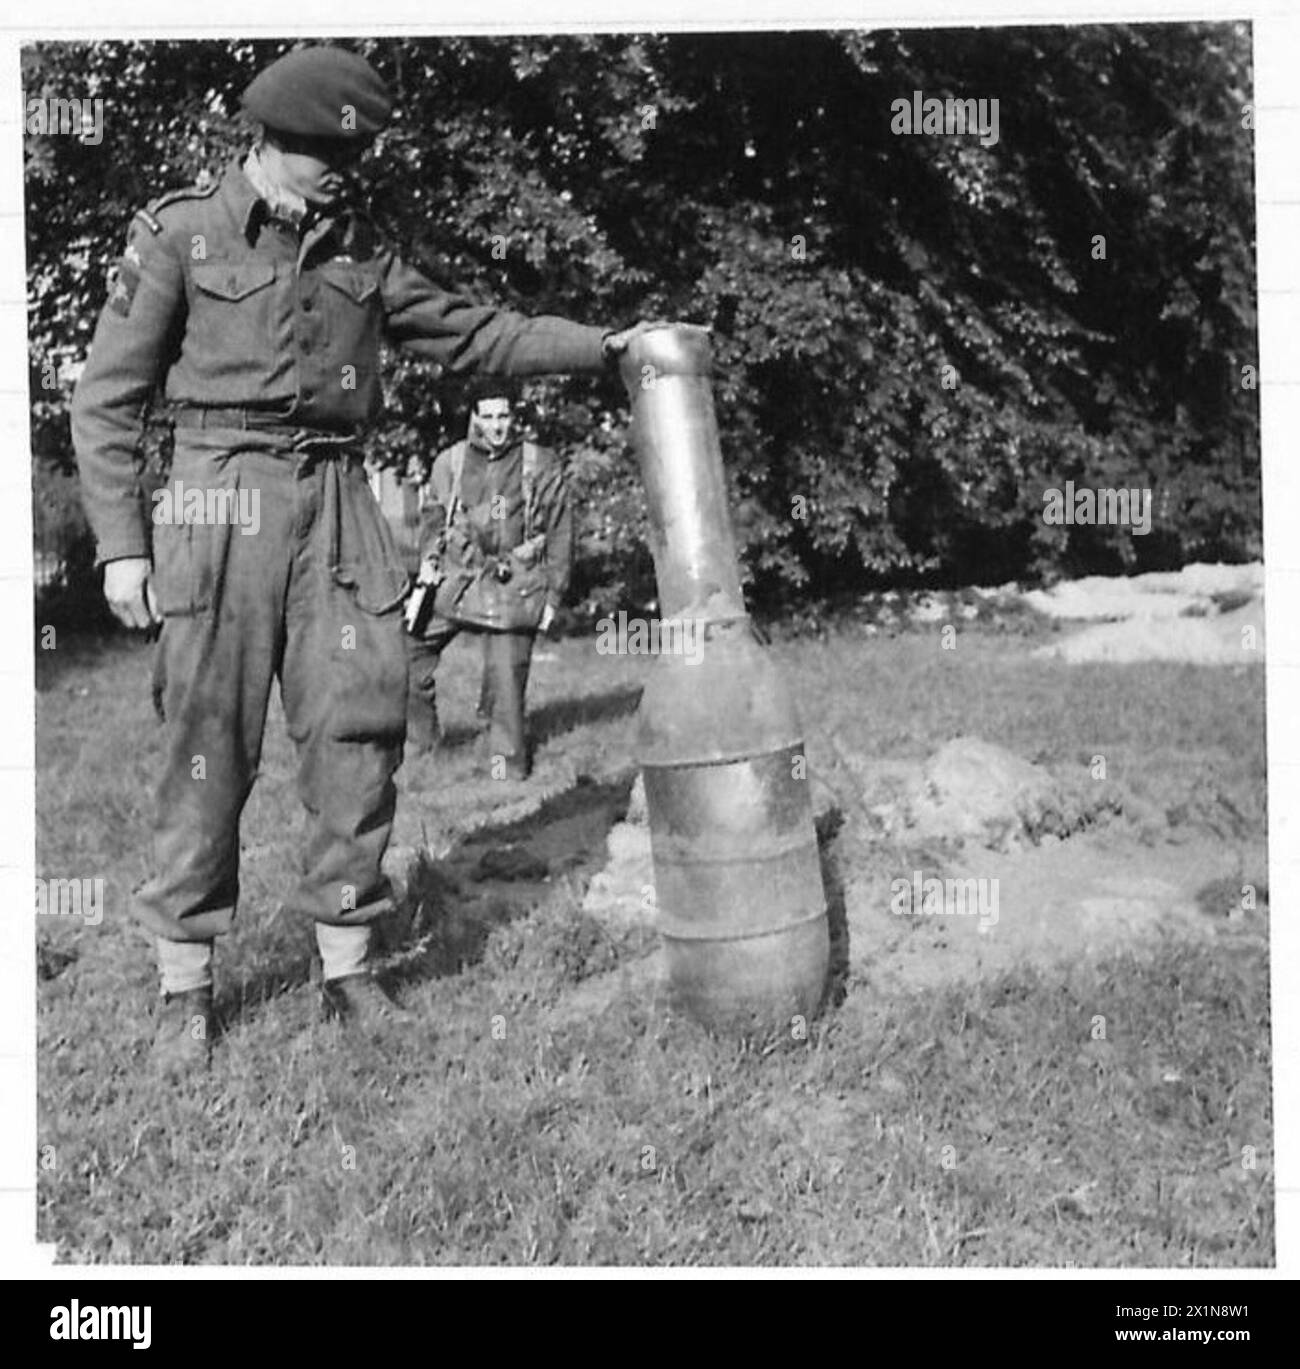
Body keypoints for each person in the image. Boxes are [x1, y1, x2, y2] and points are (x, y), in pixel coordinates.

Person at [69, 44, 662, 1078]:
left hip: (340, 501)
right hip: (218, 496)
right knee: (206, 741)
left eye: (357, 149)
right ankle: (185, 989)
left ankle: (347, 967)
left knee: (360, 727)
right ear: (270, 140)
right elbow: (107, 398)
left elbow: (479, 335)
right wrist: (122, 547)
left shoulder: (363, 249)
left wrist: (602, 344)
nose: (347, 166)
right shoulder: (182, 234)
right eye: (326, 149)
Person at [407, 378, 569, 777]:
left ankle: (504, 770)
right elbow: (432, 517)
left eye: (504, 416)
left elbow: (562, 531)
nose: (497, 426)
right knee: (404, 652)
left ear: (514, 418)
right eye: (489, 416)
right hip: (459, 580)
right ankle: (422, 750)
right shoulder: (452, 462)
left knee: (506, 682)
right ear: (475, 418)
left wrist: (553, 598)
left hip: (515, 583)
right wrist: (428, 560)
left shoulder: (540, 463)